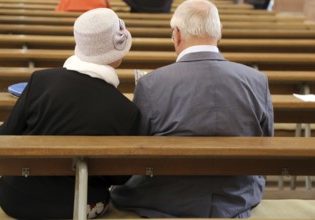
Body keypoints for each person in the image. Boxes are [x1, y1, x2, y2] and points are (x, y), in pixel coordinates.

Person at [111, 0, 273, 218]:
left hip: (166, 198)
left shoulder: (151, 84)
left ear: (176, 34)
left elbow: (139, 149)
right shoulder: (256, 81)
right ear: (219, 33)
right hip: (237, 195)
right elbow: (265, 142)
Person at [0, 8, 140, 219]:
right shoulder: (126, 111)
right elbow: (120, 176)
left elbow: (5, 135)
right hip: (79, 205)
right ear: (118, 52)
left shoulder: (40, 80)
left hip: (14, 196)